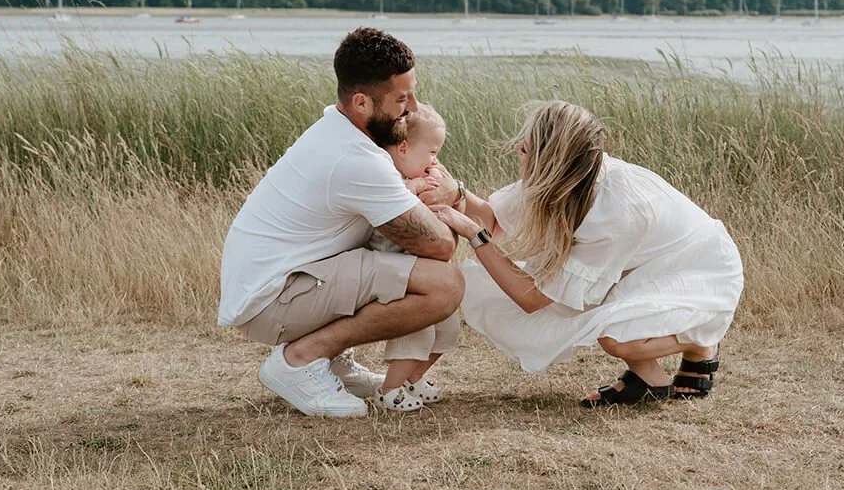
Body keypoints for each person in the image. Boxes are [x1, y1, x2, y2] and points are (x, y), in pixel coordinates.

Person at [218, 28, 463, 417]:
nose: (413, 107)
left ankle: (333, 360)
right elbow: (440, 246)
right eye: (402, 98)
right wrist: (452, 193)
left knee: (405, 267)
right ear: (362, 102)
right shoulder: (355, 158)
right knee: (444, 285)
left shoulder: (340, 130)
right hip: (272, 300)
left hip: (278, 285)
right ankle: (302, 358)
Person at [430, 101, 743, 406]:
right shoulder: (569, 176)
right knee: (587, 310)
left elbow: (532, 298)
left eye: (525, 149)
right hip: (644, 268)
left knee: (615, 338)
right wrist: (454, 189)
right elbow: (498, 220)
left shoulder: (617, 210)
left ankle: (701, 340)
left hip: (701, 269)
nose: (517, 151)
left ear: (551, 160)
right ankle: (648, 379)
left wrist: (473, 234)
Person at [364, 103, 461, 410]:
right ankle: (388, 389)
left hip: (423, 272)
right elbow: (392, 207)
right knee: (417, 329)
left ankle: (413, 377)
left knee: (448, 328)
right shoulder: (390, 182)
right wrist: (415, 188)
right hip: (396, 275)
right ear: (403, 148)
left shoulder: (421, 180)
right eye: (432, 152)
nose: (436, 160)